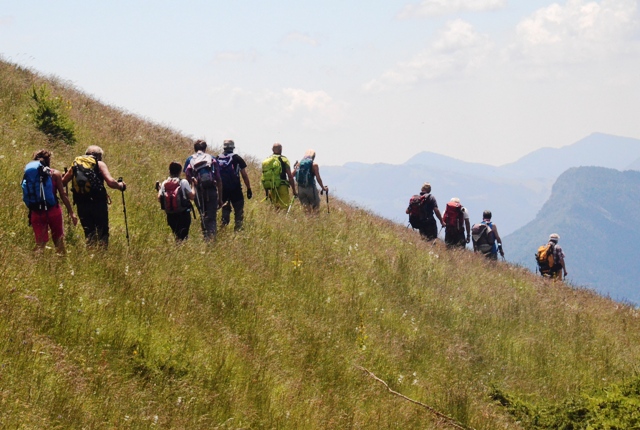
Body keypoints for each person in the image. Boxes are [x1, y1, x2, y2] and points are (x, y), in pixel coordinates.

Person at [62, 145, 126, 248]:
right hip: (98, 203)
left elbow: (63, 182)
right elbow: (110, 182)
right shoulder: (99, 163)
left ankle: (91, 254)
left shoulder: (76, 164)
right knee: (102, 232)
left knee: (89, 232)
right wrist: (121, 186)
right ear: (99, 156)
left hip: (81, 204)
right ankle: (102, 255)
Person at [22, 149, 78, 253]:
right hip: (53, 212)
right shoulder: (55, 174)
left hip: (36, 212)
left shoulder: (29, 175)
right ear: (48, 160)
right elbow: (63, 194)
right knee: (59, 242)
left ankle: (35, 265)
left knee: (40, 244)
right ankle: (62, 265)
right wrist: (71, 212)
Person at [185, 139, 223, 240]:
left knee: (203, 214)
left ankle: (206, 237)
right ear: (205, 149)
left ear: (195, 148)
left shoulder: (190, 160)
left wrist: (188, 196)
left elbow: (187, 179)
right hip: (211, 190)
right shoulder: (212, 159)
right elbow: (218, 179)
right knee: (212, 216)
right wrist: (220, 198)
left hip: (198, 192)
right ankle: (212, 239)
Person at [216, 139, 252, 231]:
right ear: (233, 147)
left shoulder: (217, 158)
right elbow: (244, 175)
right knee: (238, 211)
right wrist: (248, 188)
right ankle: (238, 230)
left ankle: (223, 228)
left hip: (223, 190)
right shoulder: (237, 158)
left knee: (225, 209)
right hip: (235, 189)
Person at [158, 161, 195, 241]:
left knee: (177, 235)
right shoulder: (183, 182)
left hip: (171, 214)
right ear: (180, 171)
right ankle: (182, 250)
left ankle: (178, 248)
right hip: (183, 214)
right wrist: (193, 185)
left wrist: (159, 189)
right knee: (184, 236)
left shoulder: (164, 183)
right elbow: (192, 196)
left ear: (169, 171)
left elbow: (159, 198)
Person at [261, 143, 297, 209]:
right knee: (284, 208)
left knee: (276, 208)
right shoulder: (284, 159)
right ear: (281, 149)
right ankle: (283, 219)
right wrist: (294, 190)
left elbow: (264, 176)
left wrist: (266, 191)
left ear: (272, 150)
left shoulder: (268, 160)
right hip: (282, 185)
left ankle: (276, 219)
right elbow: (290, 176)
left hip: (272, 187)